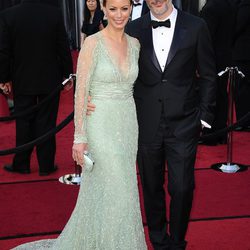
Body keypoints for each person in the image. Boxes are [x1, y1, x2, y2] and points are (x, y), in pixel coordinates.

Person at [11, 0, 147, 249]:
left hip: (127, 123)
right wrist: (79, 137)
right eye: (113, 8)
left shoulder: (135, 44)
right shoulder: (93, 43)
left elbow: (135, 87)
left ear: (131, 9)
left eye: (124, 9)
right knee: (116, 186)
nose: (119, 15)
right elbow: (81, 91)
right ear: (103, 9)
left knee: (124, 187)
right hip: (100, 125)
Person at [125, 0, 217, 249]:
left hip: (185, 123)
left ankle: (176, 242)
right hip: (146, 122)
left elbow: (208, 74)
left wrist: (204, 116)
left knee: (182, 186)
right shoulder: (133, 29)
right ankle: (158, 240)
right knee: (151, 186)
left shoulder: (196, 26)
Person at [0, 0, 73, 176]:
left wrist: (4, 78)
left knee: (23, 122)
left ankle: (22, 164)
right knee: (47, 122)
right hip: (49, 80)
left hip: (22, 79)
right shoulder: (54, 13)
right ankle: (46, 166)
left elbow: (4, 51)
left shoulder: (9, 15)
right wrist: (68, 74)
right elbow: (63, 47)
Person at [199, 0, 238, 145]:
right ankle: (221, 132)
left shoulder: (211, 7)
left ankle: (211, 134)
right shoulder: (229, 4)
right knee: (221, 94)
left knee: (211, 94)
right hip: (226, 56)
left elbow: (206, 37)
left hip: (211, 58)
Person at [233, 0, 250, 130]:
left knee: (242, 88)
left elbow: (238, 25)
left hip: (243, 52)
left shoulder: (245, 4)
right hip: (244, 52)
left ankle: (243, 121)